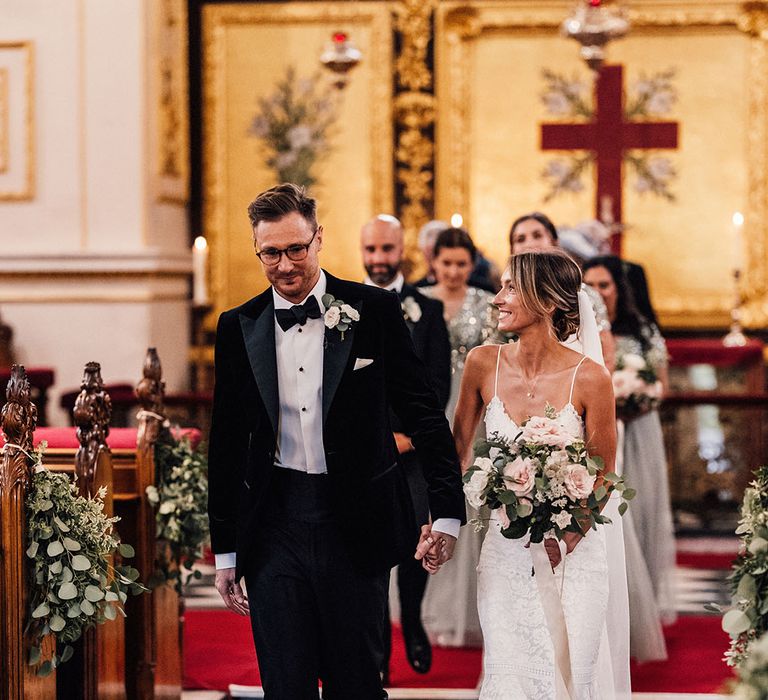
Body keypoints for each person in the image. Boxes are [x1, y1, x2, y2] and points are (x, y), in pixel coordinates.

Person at [207, 184, 466, 699]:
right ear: (257, 249)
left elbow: (426, 415)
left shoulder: (373, 311)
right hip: (274, 523)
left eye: (296, 248)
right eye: (271, 253)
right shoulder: (238, 326)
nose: (285, 265)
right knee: (286, 684)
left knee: (355, 684)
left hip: (355, 521)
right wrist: (225, 552)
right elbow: (227, 443)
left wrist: (447, 513)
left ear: (318, 238)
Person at [451, 250, 630, 698]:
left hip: (575, 555)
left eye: (511, 287)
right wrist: (439, 523)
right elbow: (455, 452)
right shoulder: (481, 363)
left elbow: (604, 473)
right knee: (509, 675)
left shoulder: (591, 379)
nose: (497, 299)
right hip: (505, 553)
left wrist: (568, 538)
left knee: (567, 674)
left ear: (548, 301)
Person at [360, 214, 452, 679]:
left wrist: (410, 437)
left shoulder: (427, 310)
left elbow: (437, 385)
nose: (379, 259)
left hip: (413, 452)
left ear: (402, 252)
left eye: (387, 250)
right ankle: (376, 646)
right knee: (372, 547)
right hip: (362, 452)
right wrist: (376, 436)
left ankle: (412, 620)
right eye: (371, 250)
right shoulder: (338, 306)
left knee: (415, 538)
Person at [420, 226, 503, 647]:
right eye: (446, 262)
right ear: (432, 262)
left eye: (461, 263)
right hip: (430, 402)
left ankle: (474, 608)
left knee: (473, 497)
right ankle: (434, 603)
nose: (453, 271)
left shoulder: (488, 305)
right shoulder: (417, 302)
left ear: (472, 265)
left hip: (476, 406)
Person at [583, 255, 676, 628]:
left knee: (640, 513)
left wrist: (636, 395)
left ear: (620, 288)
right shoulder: (576, 331)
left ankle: (641, 611)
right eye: (589, 285)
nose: (597, 293)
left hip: (638, 433)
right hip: (596, 434)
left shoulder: (642, 332)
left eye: (604, 285)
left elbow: (663, 385)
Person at [509, 212, 614, 369]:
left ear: (554, 242)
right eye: (520, 239)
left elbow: (605, 356)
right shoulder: (504, 297)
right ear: (512, 249)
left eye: (537, 235)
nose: (529, 243)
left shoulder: (585, 295)